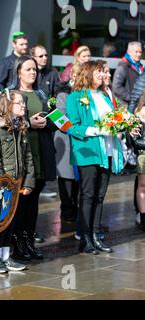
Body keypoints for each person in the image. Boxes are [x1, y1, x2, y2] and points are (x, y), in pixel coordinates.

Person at [66, 61, 139, 254]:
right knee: (88, 194)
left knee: (100, 196)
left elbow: (115, 120)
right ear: (88, 74)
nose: (102, 75)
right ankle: (85, 237)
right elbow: (72, 126)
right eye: (99, 72)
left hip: (107, 151)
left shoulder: (106, 96)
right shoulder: (75, 97)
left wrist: (125, 125)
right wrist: (97, 130)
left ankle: (96, 234)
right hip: (88, 152)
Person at [8, 55, 56, 261]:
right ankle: (17, 243)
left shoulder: (41, 94)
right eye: (28, 69)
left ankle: (28, 241)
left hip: (41, 152)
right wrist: (29, 123)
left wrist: (48, 123)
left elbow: (53, 119)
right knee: (21, 201)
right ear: (18, 72)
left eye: (35, 69)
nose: (33, 72)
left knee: (34, 201)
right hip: (22, 154)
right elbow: (6, 122)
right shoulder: (10, 95)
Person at [0, 90, 34, 273]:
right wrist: (1, 182)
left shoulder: (20, 125)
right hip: (3, 184)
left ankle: (6, 257)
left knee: (11, 221)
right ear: (8, 104)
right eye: (19, 102)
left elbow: (27, 156)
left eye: (23, 102)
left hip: (17, 182)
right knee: (1, 222)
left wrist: (28, 181)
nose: (23, 106)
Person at [54, 64, 82, 224]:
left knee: (78, 178)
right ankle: (66, 209)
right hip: (66, 140)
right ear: (72, 76)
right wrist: (78, 128)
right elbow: (60, 118)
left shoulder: (84, 94)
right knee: (67, 178)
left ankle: (75, 207)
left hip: (80, 141)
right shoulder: (63, 94)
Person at [131, 92, 145, 231]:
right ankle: (143, 217)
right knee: (142, 186)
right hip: (143, 154)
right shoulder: (139, 112)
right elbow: (134, 140)